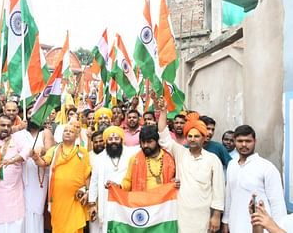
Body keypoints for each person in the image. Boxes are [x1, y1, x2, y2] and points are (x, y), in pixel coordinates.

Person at [157, 98, 225, 232]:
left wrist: (216, 215)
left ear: (204, 137)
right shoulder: (180, 153)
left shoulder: (212, 159)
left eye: (197, 136)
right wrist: (163, 111)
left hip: (203, 216)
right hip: (181, 214)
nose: (192, 139)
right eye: (190, 136)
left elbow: (219, 190)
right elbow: (163, 136)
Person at [222, 125, 286, 233]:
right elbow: (229, 196)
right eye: (240, 141)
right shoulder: (232, 165)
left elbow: (277, 204)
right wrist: (225, 221)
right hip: (235, 225)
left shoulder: (267, 167)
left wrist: (276, 229)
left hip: (260, 229)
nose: (244, 145)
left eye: (248, 141)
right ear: (234, 141)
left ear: (255, 141)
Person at [31, 124, 91, 233]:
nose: (67, 133)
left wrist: (87, 191)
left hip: (76, 197)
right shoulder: (54, 150)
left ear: (76, 136)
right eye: (65, 131)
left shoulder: (82, 152)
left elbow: (87, 173)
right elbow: (44, 162)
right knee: (59, 226)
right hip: (58, 196)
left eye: (71, 131)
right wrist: (35, 157)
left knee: (75, 226)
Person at [0, 114, 30, 233]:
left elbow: (28, 150)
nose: (6, 128)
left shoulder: (18, 139)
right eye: (2, 125)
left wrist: (13, 160)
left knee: (13, 222)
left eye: (8, 125)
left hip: (13, 191)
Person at [89, 126, 139, 232]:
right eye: (110, 139)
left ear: (121, 140)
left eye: (116, 139)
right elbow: (94, 182)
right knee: (107, 227)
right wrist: (92, 203)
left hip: (125, 199)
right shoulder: (100, 158)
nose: (113, 142)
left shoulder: (131, 154)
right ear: (106, 141)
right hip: (106, 200)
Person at [15, 108, 54, 233]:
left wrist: (40, 150)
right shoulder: (20, 133)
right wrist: (18, 128)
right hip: (21, 173)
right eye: (30, 113)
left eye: (36, 112)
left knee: (35, 208)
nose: (32, 116)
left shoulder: (45, 133)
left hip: (39, 174)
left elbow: (49, 151)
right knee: (22, 207)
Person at [121, 125, 176, 191]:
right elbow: (128, 181)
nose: (145, 145)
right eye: (143, 142)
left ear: (157, 141)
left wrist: (175, 182)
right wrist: (119, 187)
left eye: (149, 142)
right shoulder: (135, 159)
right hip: (141, 199)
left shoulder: (169, 158)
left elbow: (175, 179)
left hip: (165, 199)